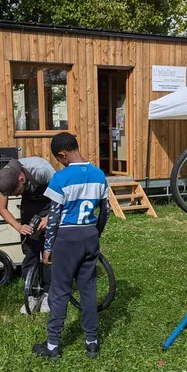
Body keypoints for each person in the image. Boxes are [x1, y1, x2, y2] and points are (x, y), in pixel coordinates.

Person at [32, 132, 110, 360]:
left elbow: (54, 217)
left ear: (62, 155)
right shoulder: (99, 175)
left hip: (66, 239)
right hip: (89, 235)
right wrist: (96, 233)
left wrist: (47, 247)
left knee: (59, 291)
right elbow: (105, 211)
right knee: (88, 290)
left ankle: (53, 345)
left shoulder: (60, 178)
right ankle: (92, 342)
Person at [0, 157, 56, 313]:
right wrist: (18, 226)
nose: (15, 196)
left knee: (50, 253)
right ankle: (33, 293)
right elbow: (2, 208)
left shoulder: (42, 170)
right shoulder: (3, 178)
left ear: (21, 179)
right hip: (30, 207)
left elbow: (62, 195)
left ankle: (49, 294)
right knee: (30, 251)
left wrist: (49, 218)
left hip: (50, 204)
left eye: (17, 192)